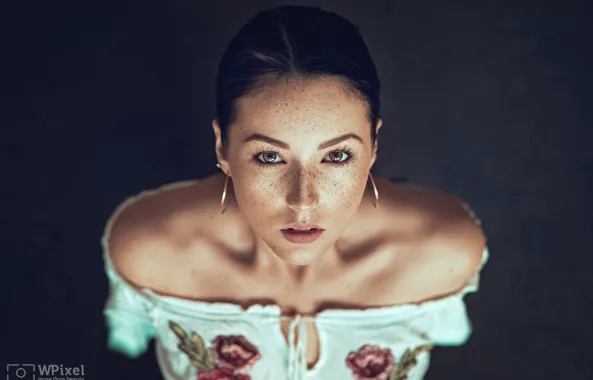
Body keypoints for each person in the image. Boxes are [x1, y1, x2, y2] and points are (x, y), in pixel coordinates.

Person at [102, 5, 488, 380]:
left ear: (373, 146)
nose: (303, 200)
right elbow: (129, 336)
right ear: (222, 147)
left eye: (337, 155)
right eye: (269, 156)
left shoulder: (442, 253)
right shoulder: (150, 251)